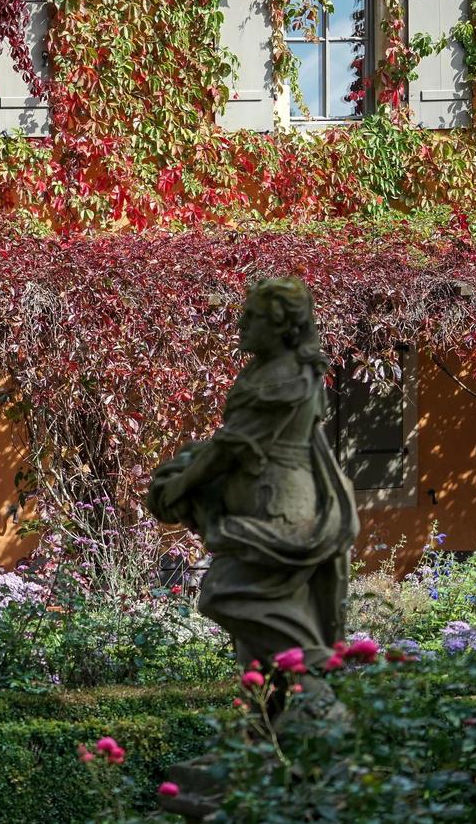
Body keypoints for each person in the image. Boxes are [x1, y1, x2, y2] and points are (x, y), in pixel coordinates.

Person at [147, 278, 359, 682]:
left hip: (279, 511)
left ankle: (313, 697)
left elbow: (231, 447)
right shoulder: (269, 370)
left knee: (228, 594)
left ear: (281, 326)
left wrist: (179, 486)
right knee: (256, 656)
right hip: (267, 502)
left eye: (253, 316)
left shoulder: (284, 379)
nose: (241, 323)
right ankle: (267, 729)